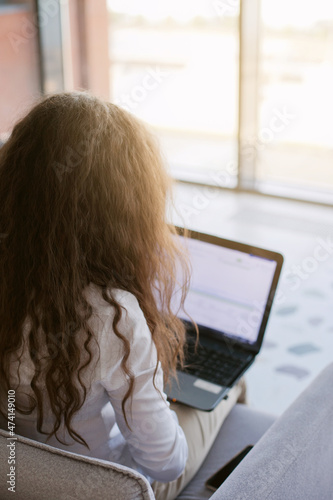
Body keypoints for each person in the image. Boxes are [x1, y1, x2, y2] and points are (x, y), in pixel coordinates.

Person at [0, 92, 244, 500]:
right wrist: (152, 394)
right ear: (122, 212)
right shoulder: (111, 314)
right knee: (231, 391)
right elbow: (164, 462)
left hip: (16, 478)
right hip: (106, 486)